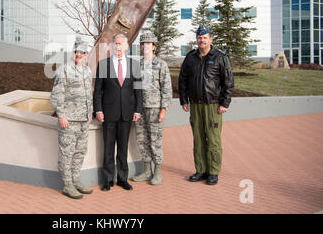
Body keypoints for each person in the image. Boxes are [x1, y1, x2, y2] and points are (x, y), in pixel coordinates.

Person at [178, 25, 234, 185]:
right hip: (195, 105)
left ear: (210, 39)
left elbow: (228, 82)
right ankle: (201, 170)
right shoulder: (190, 57)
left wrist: (225, 102)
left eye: (204, 37)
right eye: (199, 37)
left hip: (213, 105)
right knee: (198, 139)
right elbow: (182, 80)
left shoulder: (220, 57)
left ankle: (213, 172)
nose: (201, 40)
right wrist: (184, 100)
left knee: (213, 139)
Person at [93, 33, 143, 191]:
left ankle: (122, 178)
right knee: (108, 148)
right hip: (108, 113)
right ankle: (107, 180)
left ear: (127, 46)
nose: (118, 47)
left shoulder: (134, 65)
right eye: (115, 44)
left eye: (121, 44)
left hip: (127, 113)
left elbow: (138, 90)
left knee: (123, 148)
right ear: (112, 46)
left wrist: (138, 109)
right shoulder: (103, 64)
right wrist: (98, 110)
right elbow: (98, 91)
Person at [50, 40, 94, 199]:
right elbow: (56, 95)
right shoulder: (64, 70)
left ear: (86, 54)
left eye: (82, 52)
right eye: (76, 51)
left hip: (83, 120)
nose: (79, 55)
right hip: (69, 120)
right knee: (66, 153)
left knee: (80, 152)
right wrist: (61, 114)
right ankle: (67, 184)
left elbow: (89, 93)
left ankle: (75, 179)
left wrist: (90, 113)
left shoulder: (88, 71)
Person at [132, 32, 172, 185]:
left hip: (155, 108)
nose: (145, 46)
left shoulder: (161, 64)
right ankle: (147, 170)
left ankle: (157, 172)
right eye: (143, 44)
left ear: (154, 46)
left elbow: (166, 88)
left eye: (148, 43)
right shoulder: (137, 65)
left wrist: (164, 109)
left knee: (155, 141)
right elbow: (135, 88)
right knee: (142, 140)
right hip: (140, 109)